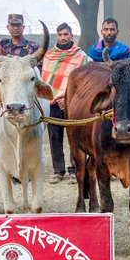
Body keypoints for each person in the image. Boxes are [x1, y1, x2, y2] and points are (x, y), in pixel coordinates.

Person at [40, 22, 90, 184]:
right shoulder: (49, 56)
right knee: (54, 138)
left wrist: (67, 98)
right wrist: (55, 98)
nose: (63, 38)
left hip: (73, 104)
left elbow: (84, 83)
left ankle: (74, 170)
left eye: (66, 34)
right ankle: (58, 171)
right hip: (53, 104)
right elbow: (46, 80)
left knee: (74, 138)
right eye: (60, 35)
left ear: (71, 36)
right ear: (57, 36)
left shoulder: (81, 57)